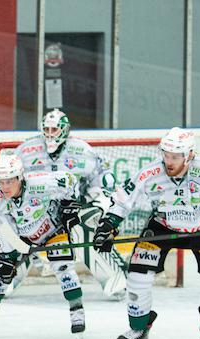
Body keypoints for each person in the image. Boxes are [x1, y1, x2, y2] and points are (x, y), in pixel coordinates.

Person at [95, 127, 200, 339]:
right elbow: (123, 199)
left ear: (188, 155)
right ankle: (139, 328)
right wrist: (108, 226)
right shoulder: (150, 174)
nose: (169, 161)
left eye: (175, 157)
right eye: (166, 155)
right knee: (138, 277)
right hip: (162, 227)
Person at [0, 153, 88, 339]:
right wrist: (7, 258)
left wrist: (70, 206)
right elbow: (1, 230)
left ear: (20, 177)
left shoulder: (42, 183)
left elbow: (70, 180)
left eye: (10, 181)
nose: (5, 187)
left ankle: (77, 313)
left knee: (64, 267)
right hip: (22, 237)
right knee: (1, 272)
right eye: (1, 181)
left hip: (53, 231)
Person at [14, 108, 125, 297]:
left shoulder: (81, 150)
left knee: (83, 232)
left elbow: (102, 178)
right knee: (20, 232)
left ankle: (113, 279)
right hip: (36, 211)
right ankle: (4, 280)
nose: (49, 134)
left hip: (71, 211)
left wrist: (99, 204)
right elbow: (12, 179)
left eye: (54, 130)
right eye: (46, 130)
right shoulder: (26, 150)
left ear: (64, 130)